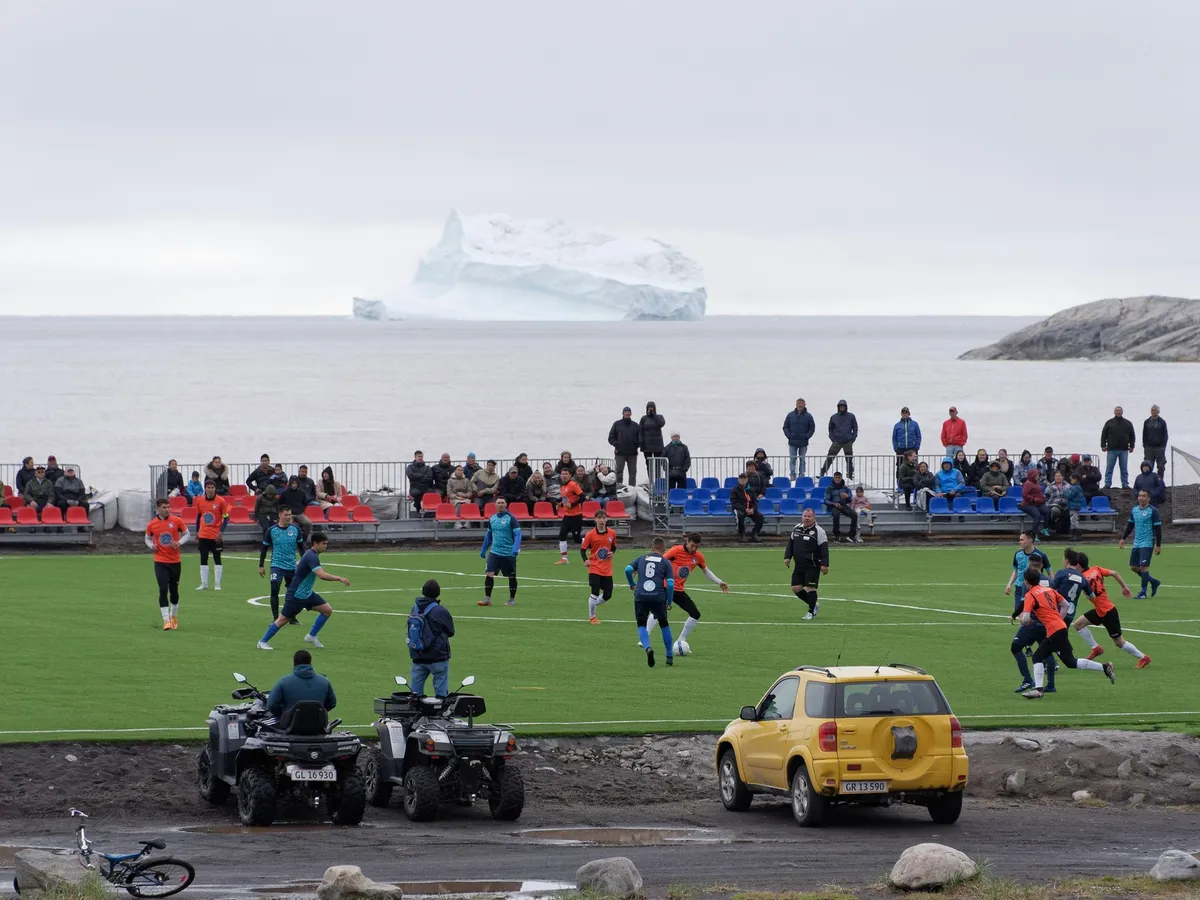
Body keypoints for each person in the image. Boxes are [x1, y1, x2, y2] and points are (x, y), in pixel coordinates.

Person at [1019, 569, 1115, 699]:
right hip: (1061, 628)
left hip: (1054, 631)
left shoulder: (1031, 595)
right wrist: (1058, 618)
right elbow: (1065, 604)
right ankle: (1104, 667)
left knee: (1037, 657)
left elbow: (1025, 618)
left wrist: (1025, 620)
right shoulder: (1049, 590)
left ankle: (1038, 690)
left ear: (1026, 581)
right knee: (1070, 662)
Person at [258, 532, 349, 650]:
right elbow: (321, 575)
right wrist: (339, 578)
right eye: (323, 544)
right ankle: (262, 641)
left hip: (306, 593)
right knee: (282, 620)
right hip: (297, 595)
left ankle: (311, 636)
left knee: (327, 610)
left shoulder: (311, 555)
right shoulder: (311, 556)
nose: (325, 546)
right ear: (315, 543)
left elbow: (299, 566)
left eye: (326, 544)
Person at [1075, 551, 1150, 668]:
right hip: (1100, 610)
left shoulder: (1082, 578)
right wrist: (1124, 587)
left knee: (1119, 642)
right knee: (1078, 624)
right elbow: (1114, 573)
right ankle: (1096, 649)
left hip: (1108, 612)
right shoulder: (1096, 569)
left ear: (1078, 565)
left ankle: (1143, 657)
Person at [658, 533, 729, 649]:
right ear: (687, 541)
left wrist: (719, 582)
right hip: (666, 587)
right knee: (659, 611)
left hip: (679, 590)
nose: (694, 549)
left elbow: (706, 571)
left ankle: (681, 640)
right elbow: (660, 561)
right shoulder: (676, 550)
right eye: (692, 546)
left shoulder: (698, 557)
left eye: (697, 546)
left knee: (695, 614)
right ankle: (644, 637)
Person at [625, 536, 675, 668]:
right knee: (664, 624)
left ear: (651, 548)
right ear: (664, 550)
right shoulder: (665, 562)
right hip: (658, 595)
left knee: (642, 624)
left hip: (641, 594)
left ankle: (647, 647)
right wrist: (669, 601)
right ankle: (669, 656)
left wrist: (631, 584)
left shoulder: (642, 558)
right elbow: (670, 584)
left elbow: (628, 570)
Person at [144, 498, 191, 630]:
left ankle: (173, 616)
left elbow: (187, 534)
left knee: (174, 591)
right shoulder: (152, 524)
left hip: (175, 561)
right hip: (160, 561)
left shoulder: (177, 521)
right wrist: (151, 545)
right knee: (163, 589)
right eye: (164, 507)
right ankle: (166, 621)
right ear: (158, 509)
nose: (167, 509)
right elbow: (147, 538)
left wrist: (179, 543)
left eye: (168, 507)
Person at [408, 580, 455, 697]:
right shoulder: (440, 611)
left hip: (418, 654)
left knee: (415, 692)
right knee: (440, 690)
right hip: (437, 656)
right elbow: (451, 632)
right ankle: (441, 712)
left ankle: (415, 712)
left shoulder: (414, 608)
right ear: (438, 593)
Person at [259, 506, 305, 623]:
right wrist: (261, 565)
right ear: (280, 515)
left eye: (290, 515)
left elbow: (301, 548)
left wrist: (305, 563)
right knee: (274, 587)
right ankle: (276, 619)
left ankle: (291, 617)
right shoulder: (271, 531)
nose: (288, 517)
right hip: (277, 565)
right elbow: (264, 548)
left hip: (291, 566)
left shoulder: (296, 530)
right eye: (286, 515)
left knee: (292, 593)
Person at [784, 507, 829, 621]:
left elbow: (824, 548)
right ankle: (813, 604)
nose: (807, 518)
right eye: (805, 516)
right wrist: (787, 557)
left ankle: (811, 612)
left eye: (809, 516)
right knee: (796, 588)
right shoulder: (797, 528)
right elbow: (790, 543)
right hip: (799, 565)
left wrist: (824, 564)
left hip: (812, 565)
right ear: (802, 517)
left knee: (810, 588)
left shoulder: (819, 531)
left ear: (814, 517)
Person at [267, 649, 337, 721]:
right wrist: (318, 713)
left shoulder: (284, 682)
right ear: (310, 662)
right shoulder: (324, 681)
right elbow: (332, 703)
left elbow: (272, 705)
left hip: (290, 725)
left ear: (293, 663)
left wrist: (284, 715)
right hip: (318, 725)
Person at [478, 496, 521, 607]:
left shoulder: (511, 518)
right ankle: (487, 599)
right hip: (495, 552)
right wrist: (484, 549)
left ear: (506, 504)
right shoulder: (492, 518)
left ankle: (511, 599)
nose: (501, 504)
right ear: (495, 505)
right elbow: (488, 535)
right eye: (499, 503)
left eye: (503, 502)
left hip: (508, 553)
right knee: (489, 573)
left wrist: (515, 549)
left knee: (511, 576)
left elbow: (518, 534)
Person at [1120, 490, 1163, 599]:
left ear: (1148, 498)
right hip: (1137, 542)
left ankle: (1143, 592)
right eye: (1139, 496)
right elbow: (1130, 525)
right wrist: (1123, 538)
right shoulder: (1134, 510)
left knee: (1144, 567)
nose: (1141, 498)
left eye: (1144, 496)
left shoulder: (1153, 511)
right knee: (1134, 567)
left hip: (1147, 542)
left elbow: (1158, 529)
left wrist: (1158, 545)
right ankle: (1153, 581)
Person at [582, 508, 619, 624]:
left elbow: (614, 546)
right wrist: (586, 560)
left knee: (608, 594)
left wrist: (612, 552)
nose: (602, 520)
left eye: (604, 517)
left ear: (606, 519)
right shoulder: (590, 535)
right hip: (594, 567)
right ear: (595, 520)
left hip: (607, 568)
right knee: (595, 591)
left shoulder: (612, 533)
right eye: (599, 518)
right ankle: (592, 617)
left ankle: (592, 603)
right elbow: (583, 550)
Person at [194, 480, 230, 591]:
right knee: (203, 558)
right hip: (203, 534)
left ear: (215, 489)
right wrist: (197, 531)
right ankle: (204, 583)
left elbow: (226, 517)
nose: (210, 489)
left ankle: (217, 584)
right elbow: (199, 517)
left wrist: (221, 532)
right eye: (208, 487)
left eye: (212, 487)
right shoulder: (199, 501)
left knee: (217, 558)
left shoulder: (221, 501)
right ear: (205, 488)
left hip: (215, 535)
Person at [820, 400, 857, 479]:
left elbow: (855, 428)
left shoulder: (851, 416)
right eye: (840, 406)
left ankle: (850, 475)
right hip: (837, 441)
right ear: (838, 407)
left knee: (849, 459)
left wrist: (852, 438)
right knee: (830, 457)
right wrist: (833, 439)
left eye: (843, 406)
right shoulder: (834, 417)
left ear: (846, 407)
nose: (842, 407)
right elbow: (830, 429)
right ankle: (822, 473)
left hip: (847, 441)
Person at [1100, 406, 1136, 489]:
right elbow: (1104, 434)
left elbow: (1132, 435)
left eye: (1119, 411)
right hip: (1111, 449)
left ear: (1122, 412)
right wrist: (1103, 445)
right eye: (1117, 410)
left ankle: (1125, 484)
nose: (1118, 412)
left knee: (1124, 468)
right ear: (1114, 412)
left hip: (1124, 449)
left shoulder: (1128, 423)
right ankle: (1107, 484)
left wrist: (1132, 446)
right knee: (1109, 468)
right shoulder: (1109, 422)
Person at [556, 469, 585, 563]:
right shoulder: (563, 487)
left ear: (570, 475)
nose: (564, 475)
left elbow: (582, 497)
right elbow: (566, 499)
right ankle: (564, 558)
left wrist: (572, 505)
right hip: (567, 515)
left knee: (577, 539)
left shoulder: (573, 485)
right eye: (562, 474)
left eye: (566, 474)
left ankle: (591, 541)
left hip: (576, 516)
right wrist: (560, 504)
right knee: (562, 536)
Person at [783, 398, 816, 480]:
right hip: (792, 442)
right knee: (792, 459)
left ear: (805, 404)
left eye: (801, 403)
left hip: (803, 442)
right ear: (796, 404)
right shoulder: (790, 415)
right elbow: (785, 427)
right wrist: (789, 435)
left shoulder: (809, 416)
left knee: (802, 459)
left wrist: (806, 436)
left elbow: (812, 428)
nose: (800, 405)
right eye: (798, 403)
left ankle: (801, 475)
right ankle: (792, 475)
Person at [609, 406, 642, 486]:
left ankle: (632, 489)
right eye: (625, 411)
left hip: (632, 453)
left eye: (628, 411)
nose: (627, 413)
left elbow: (640, 438)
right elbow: (611, 437)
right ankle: (619, 488)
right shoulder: (617, 424)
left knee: (633, 473)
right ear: (623, 413)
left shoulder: (635, 425)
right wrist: (617, 444)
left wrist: (636, 444)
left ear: (631, 413)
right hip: (620, 453)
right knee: (619, 472)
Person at [824, 472, 858, 544]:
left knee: (854, 515)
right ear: (833, 478)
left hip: (843, 505)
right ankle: (837, 535)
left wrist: (847, 497)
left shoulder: (845, 488)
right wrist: (834, 503)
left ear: (841, 478)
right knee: (836, 515)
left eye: (838, 477)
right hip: (834, 505)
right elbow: (826, 500)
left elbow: (849, 500)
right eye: (836, 477)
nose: (837, 479)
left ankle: (851, 535)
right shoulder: (830, 488)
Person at [730, 471, 763, 542]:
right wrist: (744, 509)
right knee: (740, 516)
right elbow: (734, 502)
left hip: (750, 509)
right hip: (739, 509)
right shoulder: (734, 490)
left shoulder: (751, 490)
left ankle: (755, 534)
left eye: (744, 478)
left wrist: (753, 509)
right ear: (738, 480)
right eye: (741, 478)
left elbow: (755, 501)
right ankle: (742, 534)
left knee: (760, 516)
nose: (743, 480)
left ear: (747, 480)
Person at [891, 407, 922, 477]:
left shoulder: (914, 424)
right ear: (901, 414)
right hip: (901, 449)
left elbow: (918, 436)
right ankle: (899, 483)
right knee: (900, 466)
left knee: (914, 466)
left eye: (906, 413)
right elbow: (894, 437)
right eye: (903, 413)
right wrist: (896, 448)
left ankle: (914, 482)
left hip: (912, 448)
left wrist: (916, 447)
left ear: (909, 414)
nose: (905, 414)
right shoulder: (897, 425)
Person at [1020, 469, 1050, 538]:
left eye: (1038, 475)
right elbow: (1024, 495)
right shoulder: (1028, 483)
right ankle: (1033, 534)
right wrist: (1034, 499)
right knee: (1037, 516)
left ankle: (1045, 529)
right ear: (1033, 475)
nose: (1038, 476)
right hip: (1028, 504)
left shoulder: (1036, 482)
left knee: (1047, 511)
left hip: (1037, 503)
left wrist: (1042, 498)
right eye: (1036, 475)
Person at [1142, 405, 1168, 480]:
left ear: (1158, 411)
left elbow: (1165, 435)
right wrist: (1145, 446)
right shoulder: (1146, 422)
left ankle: (1160, 481)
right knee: (1147, 466)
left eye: (1155, 410)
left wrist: (1163, 446)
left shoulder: (1162, 422)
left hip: (1159, 448)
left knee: (1161, 466)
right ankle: (1147, 481)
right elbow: (1144, 434)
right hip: (1149, 448)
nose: (1153, 411)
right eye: (1152, 410)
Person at [639, 402, 666, 472]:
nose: (650, 409)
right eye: (649, 408)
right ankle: (650, 480)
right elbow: (640, 431)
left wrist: (654, 415)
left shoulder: (659, 417)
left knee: (658, 464)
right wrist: (641, 442)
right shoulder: (644, 418)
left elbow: (661, 424)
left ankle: (657, 480)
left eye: (652, 408)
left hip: (658, 445)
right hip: (647, 446)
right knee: (649, 464)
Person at [1045, 471, 1071, 536]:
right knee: (1054, 510)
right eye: (1056, 476)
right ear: (1054, 477)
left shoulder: (1068, 485)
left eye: (1059, 476)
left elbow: (1072, 495)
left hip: (1065, 505)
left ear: (1062, 477)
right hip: (1054, 504)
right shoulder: (1050, 486)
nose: (1058, 477)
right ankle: (1054, 521)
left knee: (1070, 511)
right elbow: (1045, 496)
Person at [1064, 473, 1085, 541]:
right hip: (1076, 506)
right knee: (1073, 520)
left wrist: (1065, 491)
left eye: (1071, 479)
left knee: (1074, 521)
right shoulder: (1078, 487)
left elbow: (1069, 496)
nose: (1071, 481)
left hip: (1073, 507)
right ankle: (1074, 535)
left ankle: (1077, 535)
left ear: (1075, 480)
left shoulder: (1074, 488)